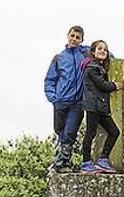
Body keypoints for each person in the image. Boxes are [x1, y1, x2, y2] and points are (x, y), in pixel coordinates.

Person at [45, 25, 89, 173]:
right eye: (72, 36)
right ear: (68, 36)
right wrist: (53, 98)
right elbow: (50, 80)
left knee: (70, 132)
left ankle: (58, 163)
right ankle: (65, 164)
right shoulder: (59, 58)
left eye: (78, 37)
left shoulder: (85, 54)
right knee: (60, 132)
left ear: (82, 39)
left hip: (77, 102)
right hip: (61, 101)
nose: (74, 39)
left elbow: (107, 55)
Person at [81, 39, 122, 174]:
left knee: (114, 132)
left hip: (101, 107)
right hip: (93, 106)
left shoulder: (99, 67)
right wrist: (115, 85)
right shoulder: (92, 67)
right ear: (93, 52)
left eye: (105, 49)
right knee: (90, 133)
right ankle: (86, 162)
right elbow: (102, 85)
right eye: (99, 49)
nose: (103, 51)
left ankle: (103, 160)